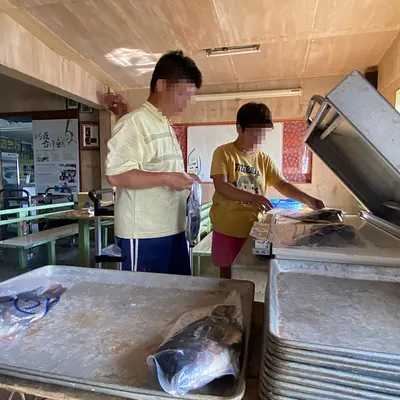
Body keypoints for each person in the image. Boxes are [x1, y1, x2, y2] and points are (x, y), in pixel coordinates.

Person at [106, 50, 202, 274]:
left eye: (190, 96)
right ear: (161, 85)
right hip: (144, 234)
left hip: (174, 228)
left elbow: (161, 170)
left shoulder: (165, 125)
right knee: (145, 294)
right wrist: (167, 178)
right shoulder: (134, 123)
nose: (186, 102)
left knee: (178, 290)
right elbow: (116, 175)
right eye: (182, 93)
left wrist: (184, 177)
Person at [210, 102, 325, 279]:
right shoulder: (224, 153)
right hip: (227, 228)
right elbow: (221, 186)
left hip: (254, 229)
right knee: (227, 278)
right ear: (239, 128)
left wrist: (309, 200)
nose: (258, 139)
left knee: (249, 274)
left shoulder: (264, 160)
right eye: (253, 133)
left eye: (262, 133)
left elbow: (282, 185)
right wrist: (252, 198)